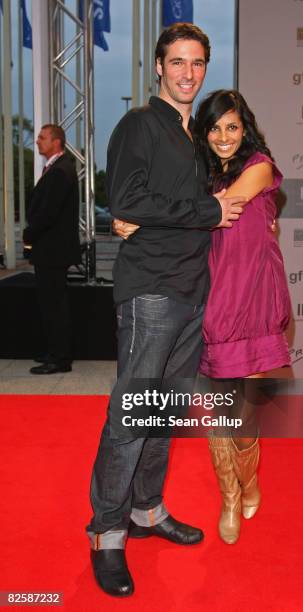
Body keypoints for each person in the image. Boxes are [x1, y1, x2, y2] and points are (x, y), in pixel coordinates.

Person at [87, 25, 246, 598]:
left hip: (192, 295)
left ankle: (147, 510)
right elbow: (126, 199)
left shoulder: (196, 137)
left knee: (161, 416)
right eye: (176, 61)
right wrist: (205, 210)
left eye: (197, 63)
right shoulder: (140, 125)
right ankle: (107, 530)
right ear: (158, 67)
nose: (188, 72)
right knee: (131, 416)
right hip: (151, 291)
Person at [194, 89, 291, 544]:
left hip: (249, 300)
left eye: (232, 126)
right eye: (214, 128)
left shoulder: (259, 168)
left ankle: (250, 482)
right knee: (219, 409)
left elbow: (221, 210)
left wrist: (153, 219)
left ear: (245, 128)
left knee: (243, 410)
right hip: (210, 300)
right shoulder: (199, 174)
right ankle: (230, 496)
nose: (224, 136)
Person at [23, 124, 81, 375]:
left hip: (52, 251)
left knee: (54, 306)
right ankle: (55, 352)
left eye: (42, 137)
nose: (37, 141)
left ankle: (59, 358)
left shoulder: (60, 171)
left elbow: (47, 213)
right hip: (51, 250)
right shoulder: (58, 169)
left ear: (56, 142)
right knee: (51, 305)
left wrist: (29, 235)